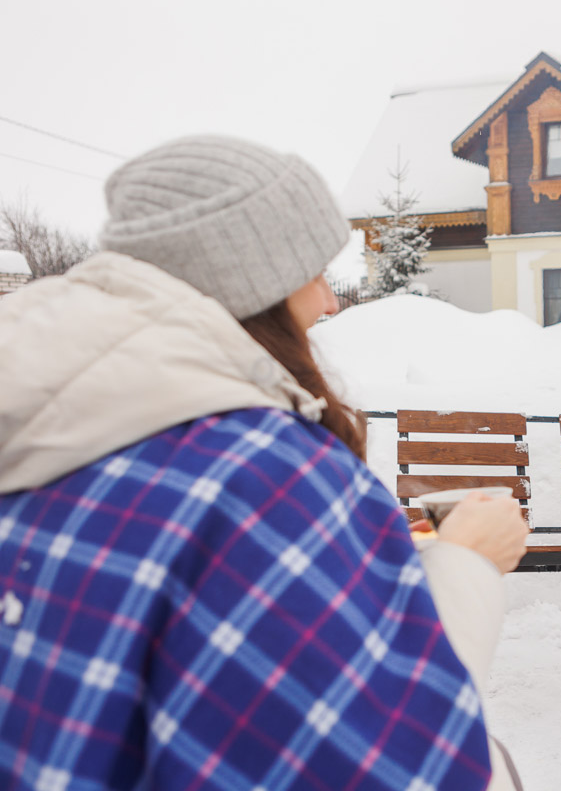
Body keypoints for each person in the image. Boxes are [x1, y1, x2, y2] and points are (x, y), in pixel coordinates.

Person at [0, 135, 527, 790]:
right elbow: (392, 767)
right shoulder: (262, 477)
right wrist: (466, 564)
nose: (330, 302)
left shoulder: (38, 432)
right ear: (252, 280)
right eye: (311, 271)